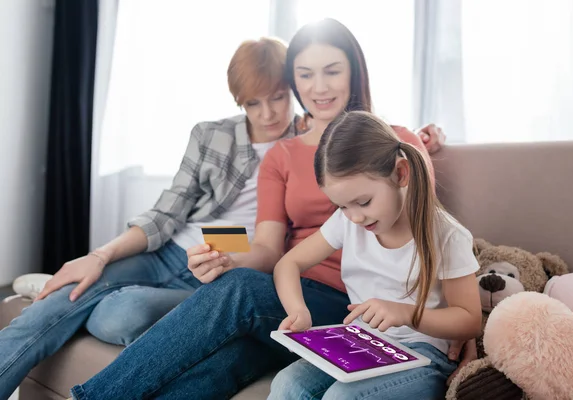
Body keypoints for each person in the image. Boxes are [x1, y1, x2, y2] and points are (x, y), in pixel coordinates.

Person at [67, 19, 454, 400]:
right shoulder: (281, 154)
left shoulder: (398, 142)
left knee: (239, 291)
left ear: (355, 71)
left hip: (359, 306)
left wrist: (457, 325)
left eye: (332, 71)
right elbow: (269, 249)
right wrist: (228, 263)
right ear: (294, 82)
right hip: (291, 299)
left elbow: (428, 233)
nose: (318, 87)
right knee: (218, 367)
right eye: (305, 75)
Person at [0, 37, 306, 400]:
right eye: (254, 103)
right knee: (55, 305)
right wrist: (99, 256)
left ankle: (102, 296)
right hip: (170, 250)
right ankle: (79, 289)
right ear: (239, 101)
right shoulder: (211, 134)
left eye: (278, 97)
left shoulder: (307, 143)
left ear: (293, 91)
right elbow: (166, 212)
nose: (268, 114)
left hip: (220, 273)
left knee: (119, 316)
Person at [268, 110, 482, 400]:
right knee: (287, 383)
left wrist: (406, 314)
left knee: (342, 398)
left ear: (400, 173)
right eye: (342, 206)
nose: (355, 217)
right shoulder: (348, 222)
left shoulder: (446, 235)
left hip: (423, 353)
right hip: (361, 343)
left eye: (364, 202)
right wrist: (298, 311)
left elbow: (469, 320)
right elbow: (289, 264)